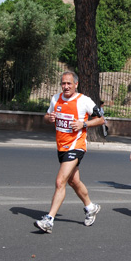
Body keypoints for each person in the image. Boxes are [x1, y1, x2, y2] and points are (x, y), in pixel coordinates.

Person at [34, 72, 105, 233]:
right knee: (73, 181)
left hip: (76, 146)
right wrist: (49, 118)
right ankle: (91, 207)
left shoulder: (83, 100)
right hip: (61, 147)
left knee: (60, 182)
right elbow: (46, 117)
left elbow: (101, 119)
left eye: (69, 83)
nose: (66, 86)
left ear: (76, 84)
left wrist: (84, 124)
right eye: (63, 83)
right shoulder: (56, 99)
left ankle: (49, 220)